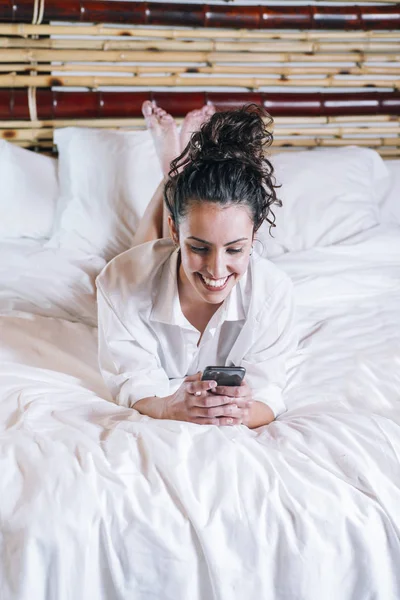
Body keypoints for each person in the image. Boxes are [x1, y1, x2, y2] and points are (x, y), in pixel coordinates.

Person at [96, 101, 298, 429]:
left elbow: (270, 390)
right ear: (175, 231)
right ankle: (172, 178)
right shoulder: (118, 281)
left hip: (180, 232)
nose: (217, 271)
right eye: (199, 248)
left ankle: (175, 180)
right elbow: (130, 380)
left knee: (155, 251)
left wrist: (245, 411)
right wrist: (167, 408)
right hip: (155, 255)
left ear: (253, 235)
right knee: (141, 254)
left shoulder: (273, 292)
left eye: (235, 249)